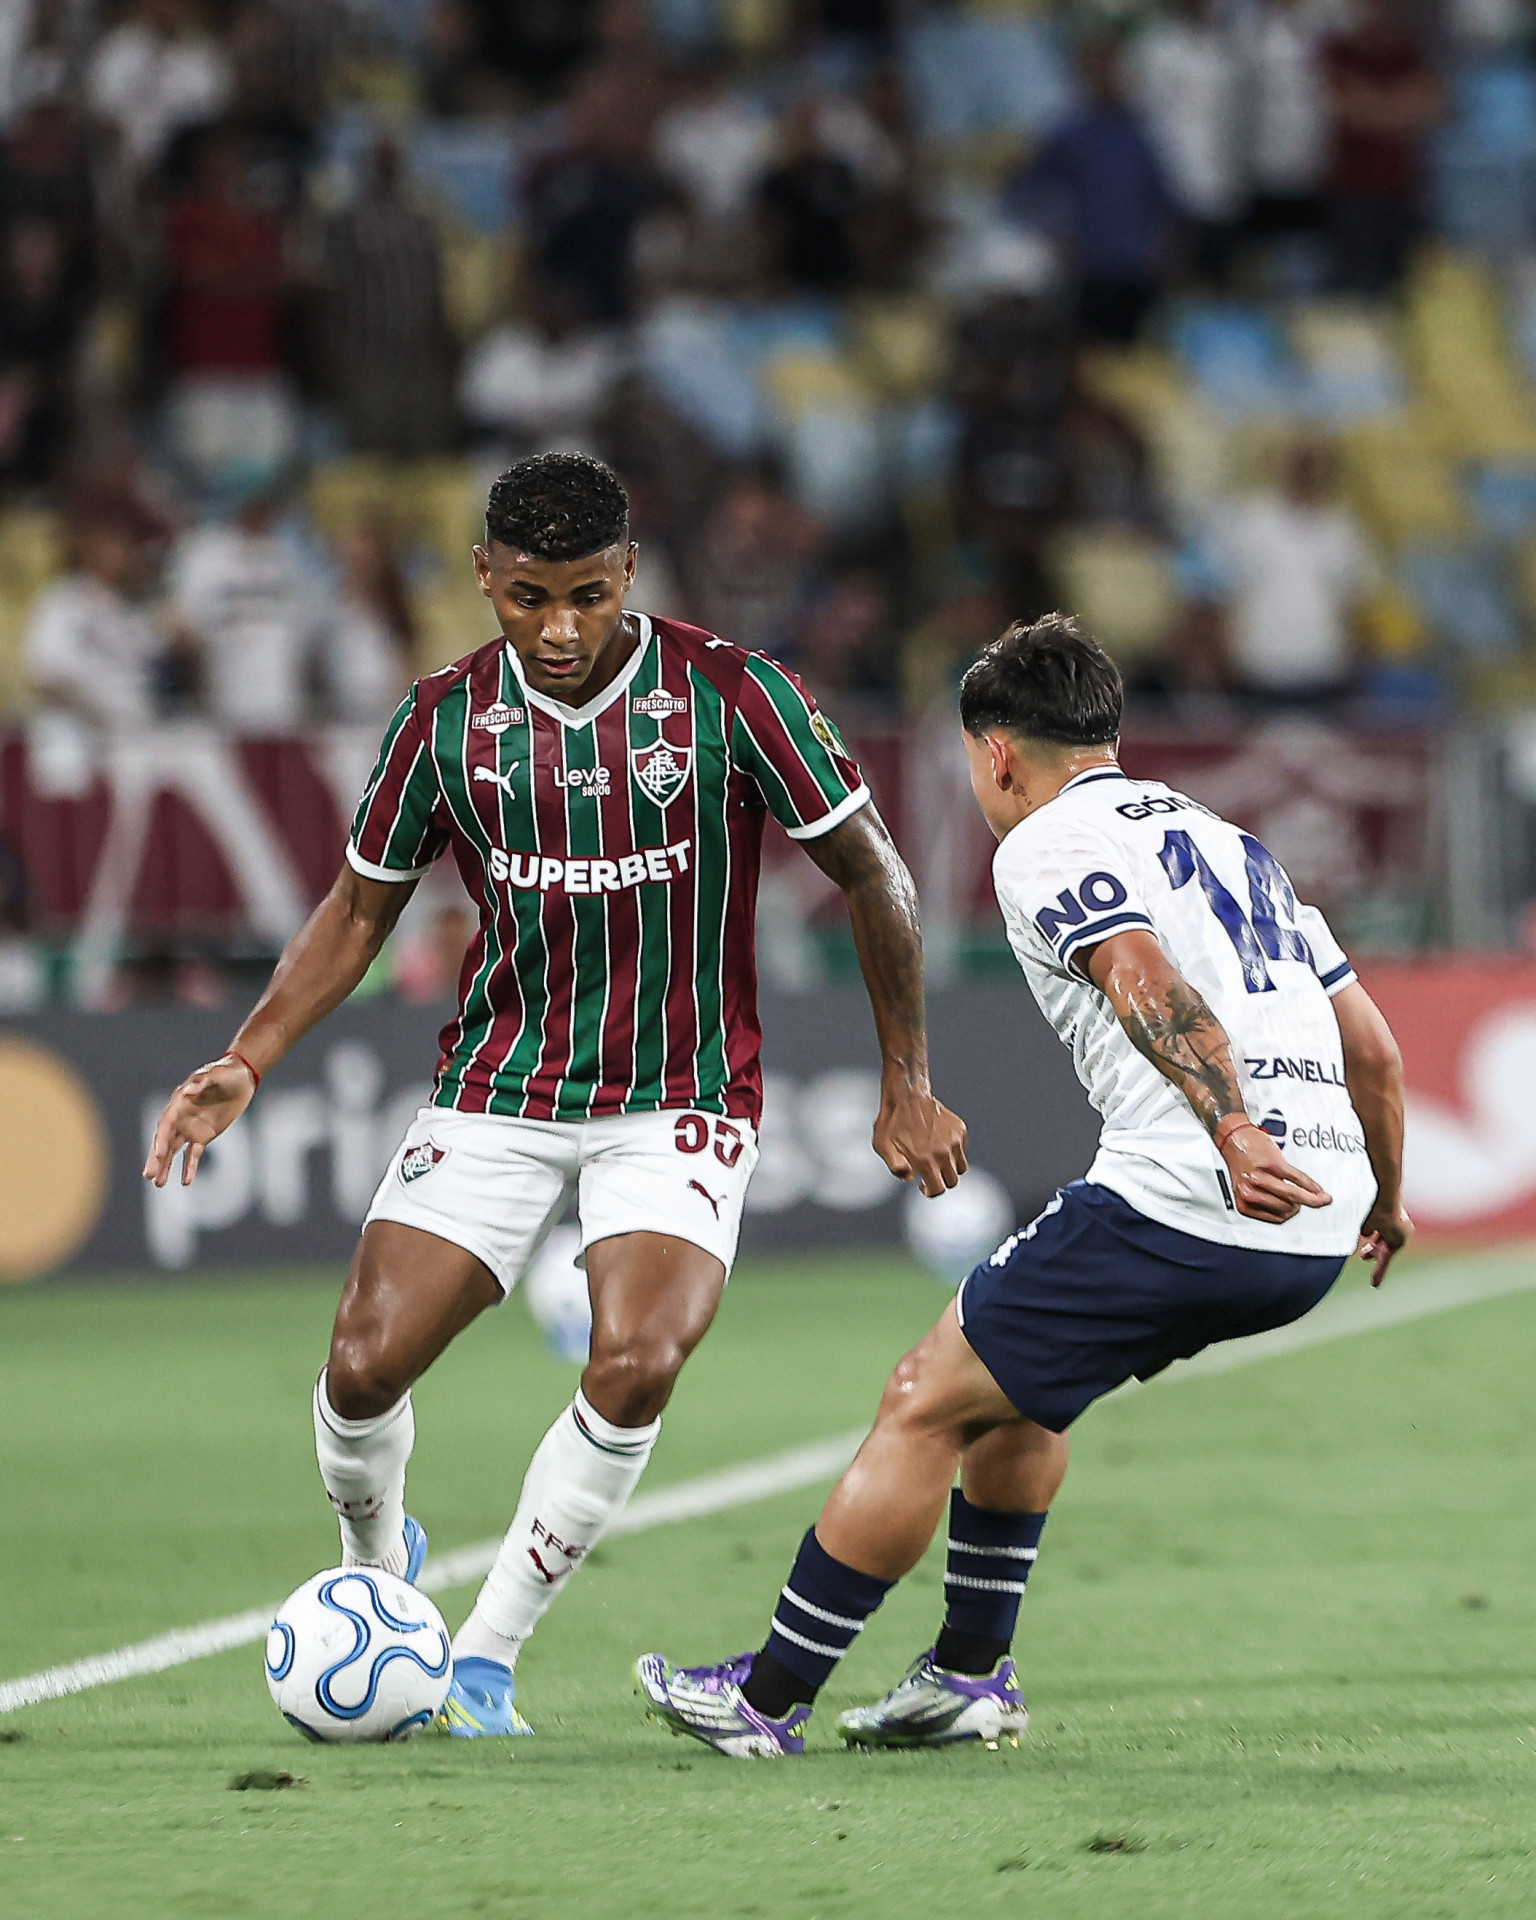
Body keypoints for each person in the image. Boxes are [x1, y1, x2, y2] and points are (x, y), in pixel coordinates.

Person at [143, 451, 967, 1738]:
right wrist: (249, 1056)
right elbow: (364, 904)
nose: (561, 628)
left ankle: (482, 1660)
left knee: (635, 1358)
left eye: (588, 593)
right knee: (361, 1371)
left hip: (680, 1090)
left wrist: (906, 1081)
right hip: (498, 1088)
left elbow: (875, 872)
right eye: (529, 597)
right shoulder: (441, 721)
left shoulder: (735, 695)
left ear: (630, 572)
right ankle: (378, 1580)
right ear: (484, 577)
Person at [637, 612, 1409, 1758]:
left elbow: (1139, 974)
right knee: (1020, 1389)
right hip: (1316, 1219)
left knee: (921, 1397)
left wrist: (1236, 1129)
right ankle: (965, 1678)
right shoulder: (1237, 842)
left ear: (997, 752)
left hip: (1199, 1195)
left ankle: (768, 1694)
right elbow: (1376, 1053)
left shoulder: (1043, 841)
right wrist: (1386, 1198)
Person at [1216, 439, 1376, 708]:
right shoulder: (1254, 520)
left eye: (1313, 466)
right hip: (1258, 663)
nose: (1306, 473)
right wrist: (1227, 651)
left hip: (1321, 666)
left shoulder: (1342, 529)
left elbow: (1351, 602)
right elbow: (1230, 592)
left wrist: (1351, 658)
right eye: (1299, 465)